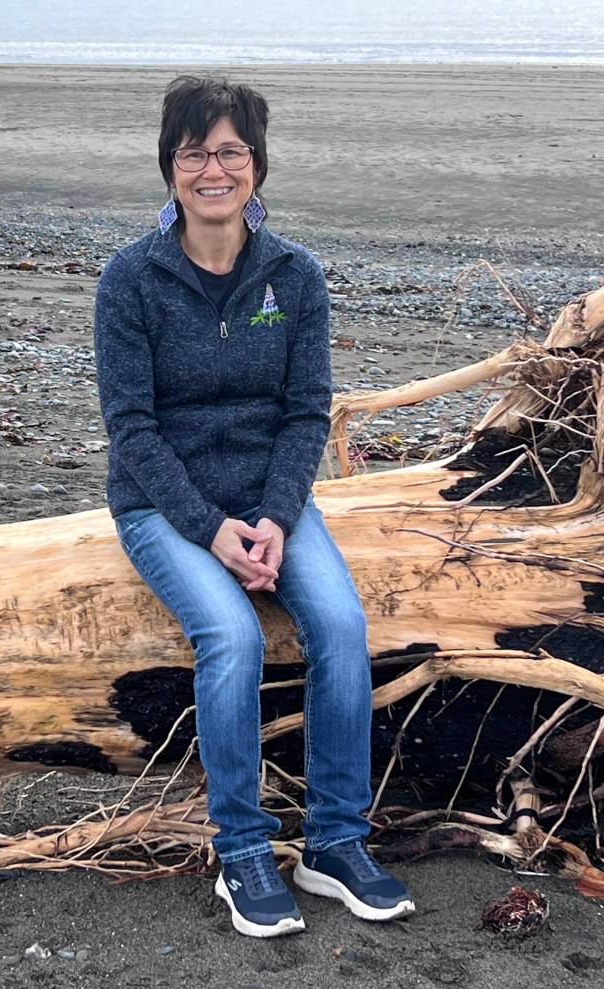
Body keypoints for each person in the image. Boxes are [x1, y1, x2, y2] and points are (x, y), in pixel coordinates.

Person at [93, 74, 415, 939]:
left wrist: (275, 518)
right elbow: (131, 427)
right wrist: (210, 530)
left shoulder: (294, 276)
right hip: (163, 505)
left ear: (257, 166)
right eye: (194, 152)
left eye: (231, 151)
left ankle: (335, 842)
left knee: (340, 624)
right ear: (170, 167)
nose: (214, 170)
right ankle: (240, 849)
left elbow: (307, 412)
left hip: (272, 502)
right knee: (231, 637)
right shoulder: (131, 279)